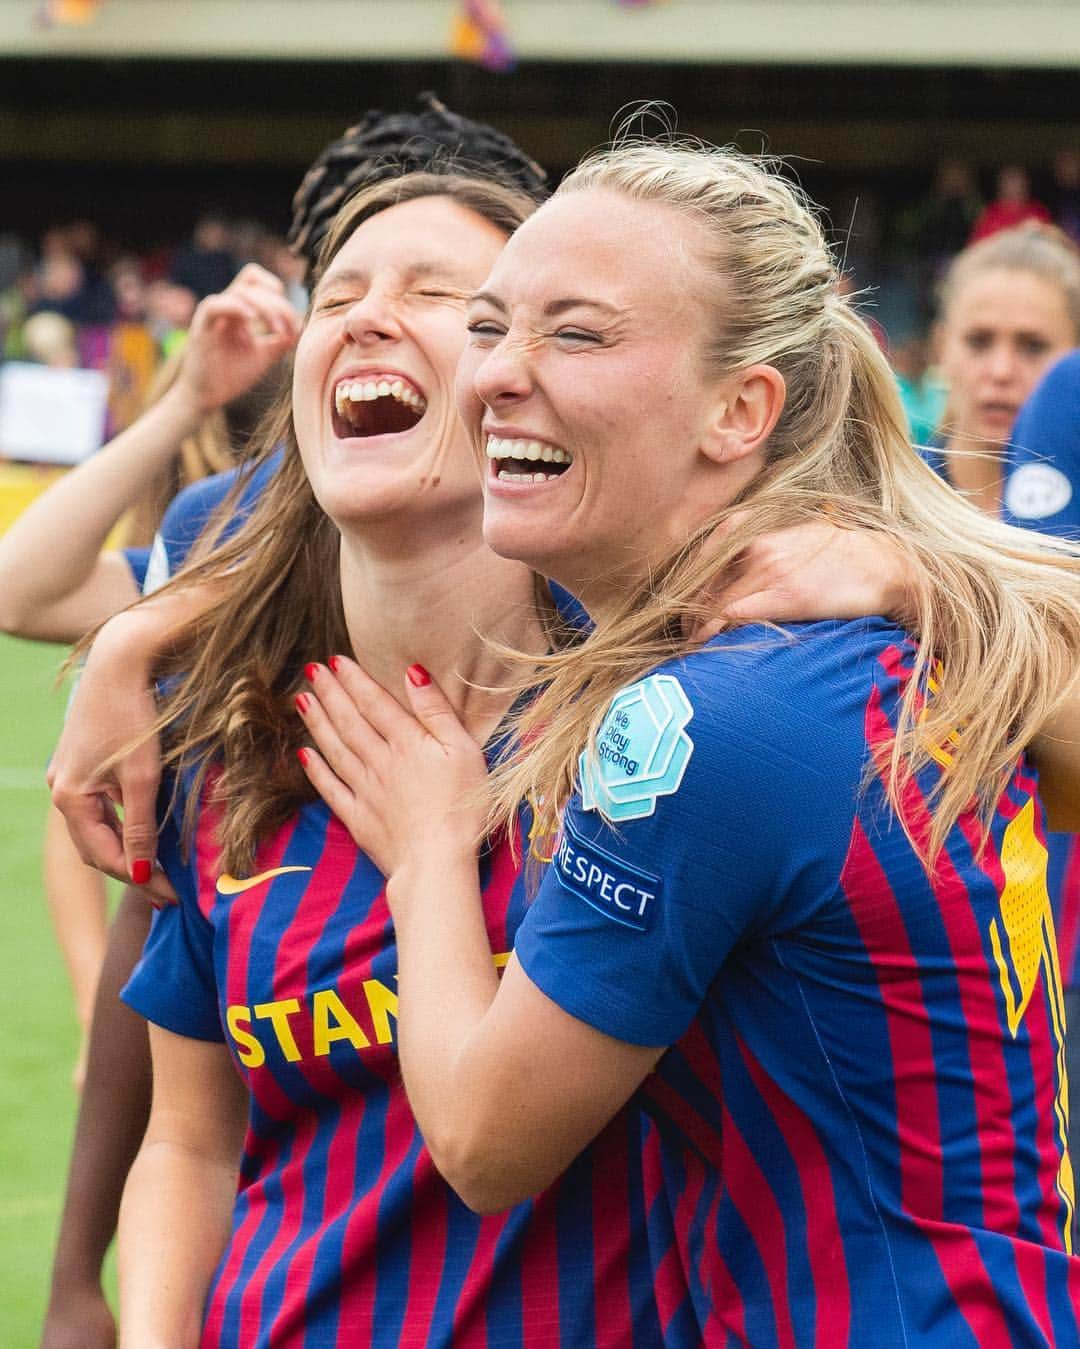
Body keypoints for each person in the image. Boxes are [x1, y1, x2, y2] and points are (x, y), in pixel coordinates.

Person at [288, 142, 1080, 1343]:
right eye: (493, 326)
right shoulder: (873, 634)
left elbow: (483, 1138)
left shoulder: (702, 716)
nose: (497, 376)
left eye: (578, 335)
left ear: (741, 410)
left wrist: (429, 851)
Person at [54, 171, 671, 1346]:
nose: (364, 314)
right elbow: (192, 1138)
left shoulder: (650, 730)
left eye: (441, 293)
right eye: (335, 291)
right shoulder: (236, 743)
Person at [928, 222, 1080, 513]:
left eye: (1033, 346)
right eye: (978, 342)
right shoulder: (882, 507)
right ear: (941, 348)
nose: (1001, 371)